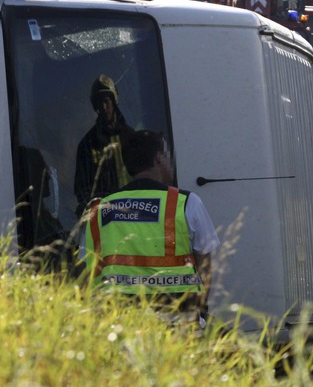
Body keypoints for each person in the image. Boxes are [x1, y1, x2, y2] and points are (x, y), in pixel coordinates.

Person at [84, 129, 219, 321]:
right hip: (179, 320)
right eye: (167, 155)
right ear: (158, 158)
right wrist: (201, 309)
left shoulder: (99, 209)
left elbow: (87, 269)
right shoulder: (187, 203)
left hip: (119, 321)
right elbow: (205, 265)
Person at [74, 74, 134, 214]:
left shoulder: (131, 137)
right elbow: (81, 188)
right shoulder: (88, 144)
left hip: (135, 211)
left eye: (107, 101)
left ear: (114, 101)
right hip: (105, 216)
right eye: (99, 102)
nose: (104, 106)